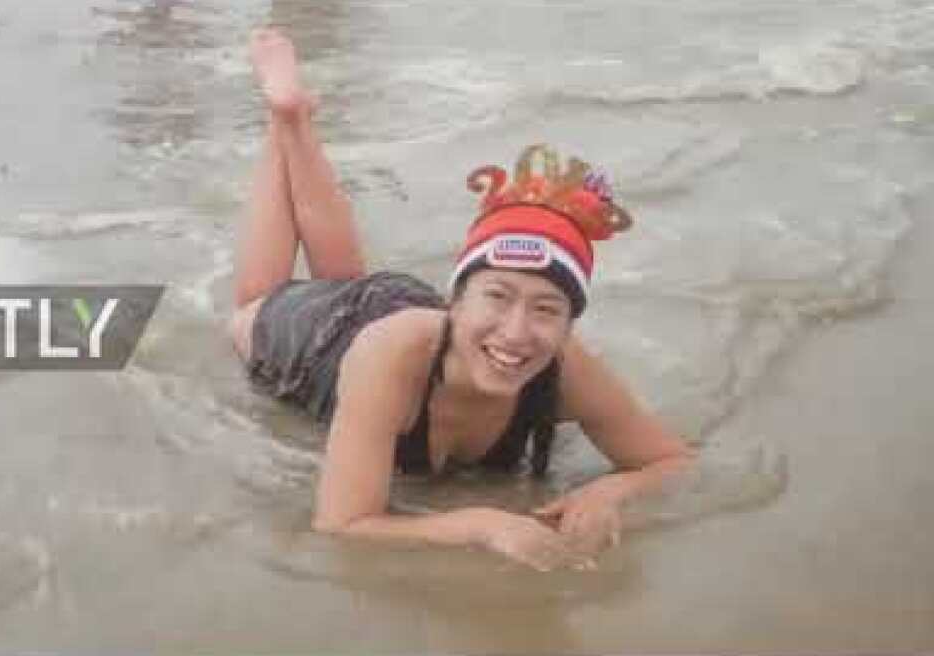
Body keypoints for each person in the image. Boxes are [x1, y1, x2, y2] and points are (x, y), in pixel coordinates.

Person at [228, 28, 693, 572]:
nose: (518, 332)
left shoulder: (566, 367)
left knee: (346, 274)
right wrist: (482, 524)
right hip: (343, 341)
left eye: (547, 309)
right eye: (498, 297)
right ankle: (282, 119)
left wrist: (608, 493)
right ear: (458, 300)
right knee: (255, 303)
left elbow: (674, 461)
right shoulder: (389, 358)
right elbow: (342, 525)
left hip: (410, 316)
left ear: (569, 324)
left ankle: (296, 120)